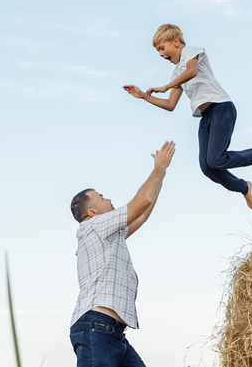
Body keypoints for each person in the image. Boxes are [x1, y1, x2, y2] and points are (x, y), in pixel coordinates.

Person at [123, 24, 252, 211]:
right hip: (205, 117)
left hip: (221, 108)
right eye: (158, 51)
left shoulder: (190, 51)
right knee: (207, 167)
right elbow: (170, 105)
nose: (160, 54)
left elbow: (192, 71)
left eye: (162, 48)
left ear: (175, 42)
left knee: (216, 160)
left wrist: (165, 86)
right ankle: (244, 187)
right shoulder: (177, 73)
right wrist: (143, 96)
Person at [69, 140, 176, 367]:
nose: (108, 199)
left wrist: (161, 174)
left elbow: (142, 214)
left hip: (112, 332)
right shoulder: (94, 226)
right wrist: (158, 169)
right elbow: (141, 202)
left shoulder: (109, 232)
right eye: (102, 197)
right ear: (92, 211)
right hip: (96, 328)